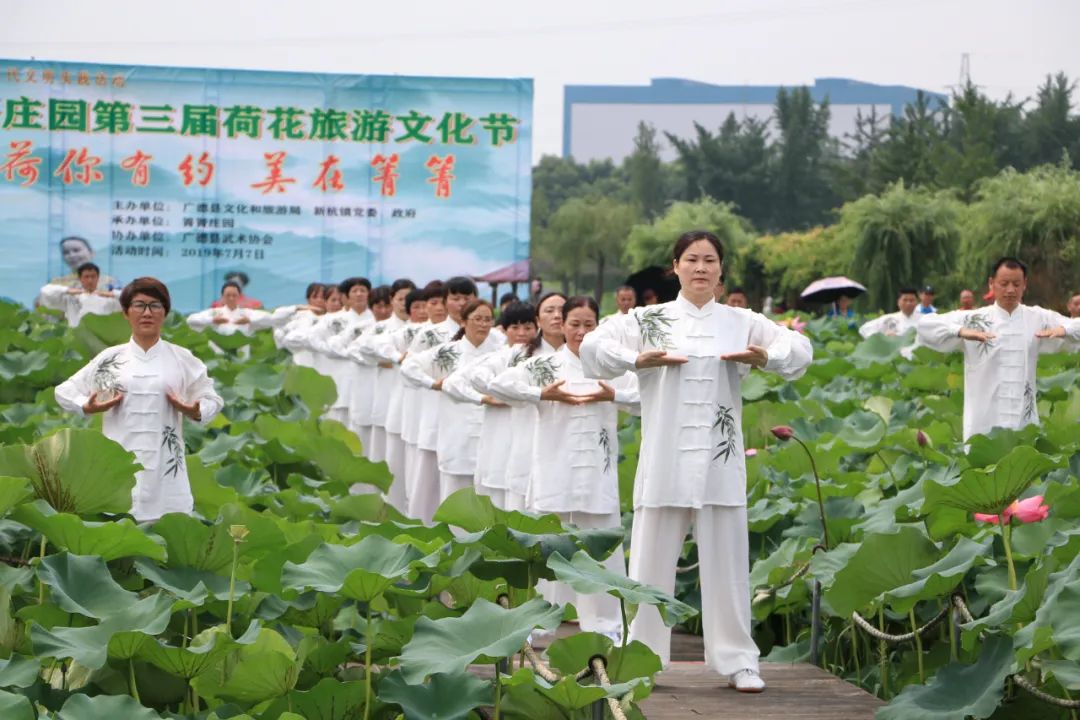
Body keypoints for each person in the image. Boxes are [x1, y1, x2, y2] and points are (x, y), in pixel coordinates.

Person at [581, 230, 813, 693]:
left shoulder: (740, 320)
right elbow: (592, 350)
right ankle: (643, 658)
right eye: (692, 259)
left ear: (721, 271)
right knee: (648, 563)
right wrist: (635, 359)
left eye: (710, 260)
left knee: (727, 564)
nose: (701, 267)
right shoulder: (646, 320)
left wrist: (765, 356)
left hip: (719, 462)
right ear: (676, 266)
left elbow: (800, 352)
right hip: (664, 456)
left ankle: (738, 660)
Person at [490, 296, 639, 639]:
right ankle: (537, 620)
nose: (581, 332)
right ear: (561, 325)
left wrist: (612, 397)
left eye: (589, 324)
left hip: (596, 471)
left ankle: (606, 625)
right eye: (574, 324)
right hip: (554, 465)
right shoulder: (546, 365)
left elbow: (644, 399)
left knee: (602, 545)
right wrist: (543, 395)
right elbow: (499, 385)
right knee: (546, 541)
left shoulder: (609, 368)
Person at [54, 277, 223, 521]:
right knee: (118, 537)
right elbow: (64, 391)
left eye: (155, 305)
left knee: (164, 541)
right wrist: (85, 405)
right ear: (126, 313)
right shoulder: (109, 359)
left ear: (165, 312)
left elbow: (212, 398)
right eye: (139, 305)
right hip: (118, 470)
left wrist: (195, 410)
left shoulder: (181, 358)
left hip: (166, 474)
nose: (147, 313)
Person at [918, 257, 1080, 441]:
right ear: (991, 283)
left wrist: (1065, 329)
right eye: (1004, 283)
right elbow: (924, 325)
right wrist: (961, 331)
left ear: (1024, 285)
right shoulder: (974, 319)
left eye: (1016, 284)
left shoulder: (1038, 318)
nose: (1010, 290)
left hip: (1022, 422)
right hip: (984, 422)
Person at [406, 300, 504, 512]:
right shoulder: (448, 352)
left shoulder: (499, 352)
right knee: (456, 498)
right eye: (477, 319)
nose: (483, 325)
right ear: (463, 321)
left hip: (490, 434)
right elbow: (409, 366)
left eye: (488, 319)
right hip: (457, 433)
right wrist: (432, 383)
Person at [446, 301, 537, 508]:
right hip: (499, 442)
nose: (522, 333)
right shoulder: (496, 358)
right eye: (515, 327)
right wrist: (485, 397)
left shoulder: (545, 361)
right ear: (504, 330)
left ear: (537, 327)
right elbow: (453, 383)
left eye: (528, 327)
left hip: (529, 444)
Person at [486, 292, 566, 511]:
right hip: (526, 442)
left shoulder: (581, 354)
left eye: (562, 310)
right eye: (549, 311)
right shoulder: (519, 354)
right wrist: (535, 394)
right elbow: (485, 380)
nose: (557, 316)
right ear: (538, 320)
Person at [39, 262, 121, 326]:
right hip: (78, 337)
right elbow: (45, 291)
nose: (90, 280)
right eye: (86, 277)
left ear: (98, 278)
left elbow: (128, 297)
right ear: (80, 278)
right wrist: (67, 290)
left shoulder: (107, 299)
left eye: (93, 276)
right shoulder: (71, 298)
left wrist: (111, 294)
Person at [187, 281, 271, 337]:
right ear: (222, 297)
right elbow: (190, 320)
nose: (231, 298)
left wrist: (250, 320)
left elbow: (270, 319)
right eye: (228, 295)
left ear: (239, 296)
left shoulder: (247, 314)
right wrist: (212, 320)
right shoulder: (215, 313)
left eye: (234, 295)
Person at [49, 236, 119, 290]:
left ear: (92, 253)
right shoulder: (56, 283)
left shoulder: (110, 282)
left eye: (76, 250)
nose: (72, 255)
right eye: (66, 252)